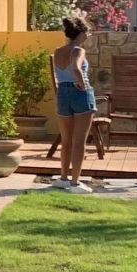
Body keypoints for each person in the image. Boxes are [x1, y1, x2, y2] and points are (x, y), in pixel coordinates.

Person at [49, 17, 98, 192]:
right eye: (88, 32)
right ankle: (75, 183)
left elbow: (61, 74)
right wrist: (83, 84)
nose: (88, 35)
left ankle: (63, 178)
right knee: (79, 141)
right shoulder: (78, 50)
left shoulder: (57, 51)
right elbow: (76, 68)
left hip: (63, 94)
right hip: (79, 95)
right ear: (82, 33)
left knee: (66, 140)